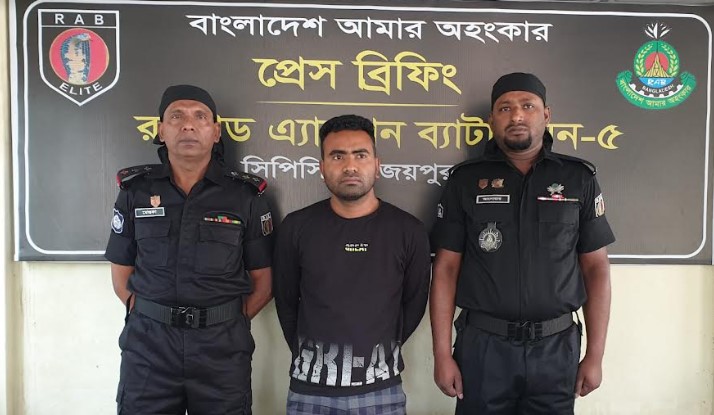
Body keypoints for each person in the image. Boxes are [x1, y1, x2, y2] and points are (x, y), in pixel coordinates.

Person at [430, 73, 614, 414]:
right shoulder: (465, 181)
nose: (516, 116)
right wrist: (441, 354)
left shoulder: (578, 179)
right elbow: (446, 269)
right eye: (505, 108)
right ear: (491, 120)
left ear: (546, 115)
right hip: (483, 349)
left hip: (556, 350)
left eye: (527, 106)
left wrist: (595, 355)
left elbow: (596, 268)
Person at [105, 84, 273, 414]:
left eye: (200, 117)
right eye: (176, 116)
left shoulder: (245, 196)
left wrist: (222, 321)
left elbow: (263, 284)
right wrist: (154, 316)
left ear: (216, 132)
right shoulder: (135, 192)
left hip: (222, 350)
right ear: (160, 130)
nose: (188, 125)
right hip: (148, 348)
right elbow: (121, 274)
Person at [273, 114, 431, 414]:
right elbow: (286, 302)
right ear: (322, 167)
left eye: (361, 155)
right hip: (310, 390)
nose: (350, 166)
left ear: (377, 164)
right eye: (337, 156)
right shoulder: (296, 227)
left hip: (381, 389)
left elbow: (414, 305)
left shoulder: (409, 231)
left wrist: (374, 357)